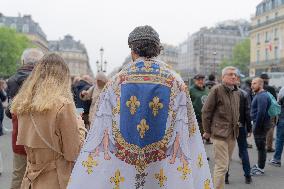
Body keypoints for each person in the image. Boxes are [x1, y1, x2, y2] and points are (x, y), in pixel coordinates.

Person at [68, 25, 213, 189]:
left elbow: (101, 128)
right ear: (157, 50)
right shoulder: (176, 82)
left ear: (132, 50)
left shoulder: (115, 82)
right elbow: (189, 128)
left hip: (124, 167)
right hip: (164, 164)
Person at [11, 53, 86, 189]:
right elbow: (72, 153)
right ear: (62, 77)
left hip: (30, 179)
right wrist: (80, 125)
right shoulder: (63, 105)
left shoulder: (23, 103)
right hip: (55, 179)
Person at [6, 48, 44, 189]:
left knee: (18, 174)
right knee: (40, 175)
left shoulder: (13, 80)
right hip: (40, 136)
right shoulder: (45, 81)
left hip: (19, 135)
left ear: (23, 61)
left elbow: (11, 110)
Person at [202, 66, 240, 189]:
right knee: (222, 165)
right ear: (223, 77)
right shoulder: (217, 90)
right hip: (219, 134)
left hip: (232, 134)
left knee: (225, 165)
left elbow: (236, 112)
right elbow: (206, 111)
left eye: (235, 74)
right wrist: (207, 131)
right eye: (230, 74)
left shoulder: (236, 92)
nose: (233, 76)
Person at [225, 71, 252, 184]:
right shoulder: (243, 94)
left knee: (227, 152)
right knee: (243, 150)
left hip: (228, 127)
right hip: (240, 126)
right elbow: (247, 113)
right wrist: (249, 128)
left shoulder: (226, 93)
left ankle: (225, 176)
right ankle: (247, 175)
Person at [250, 78, 271, 176]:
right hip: (260, 125)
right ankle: (259, 165)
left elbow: (261, 112)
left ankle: (261, 168)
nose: (252, 85)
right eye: (252, 83)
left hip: (260, 126)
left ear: (260, 84)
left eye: (254, 83)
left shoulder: (262, 96)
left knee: (261, 147)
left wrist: (257, 126)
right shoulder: (260, 95)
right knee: (260, 147)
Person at [189, 74, 212, 144]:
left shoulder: (207, 89)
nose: (200, 81)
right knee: (199, 138)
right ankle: (200, 154)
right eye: (198, 80)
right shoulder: (191, 90)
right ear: (195, 81)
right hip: (196, 117)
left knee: (207, 132)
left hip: (206, 116)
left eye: (202, 80)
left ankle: (207, 141)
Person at [260, 73, 277, 152]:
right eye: (268, 78)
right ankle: (269, 147)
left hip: (260, 110)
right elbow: (275, 101)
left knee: (261, 127)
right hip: (270, 111)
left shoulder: (257, 87)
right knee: (270, 128)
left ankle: (260, 145)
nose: (268, 79)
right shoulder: (271, 88)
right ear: (265, 79)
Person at [269, 86, 284, 167]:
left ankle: (276, 159)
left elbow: (278, 102)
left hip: (283, 117)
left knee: (280, 139)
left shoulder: (283, 89)